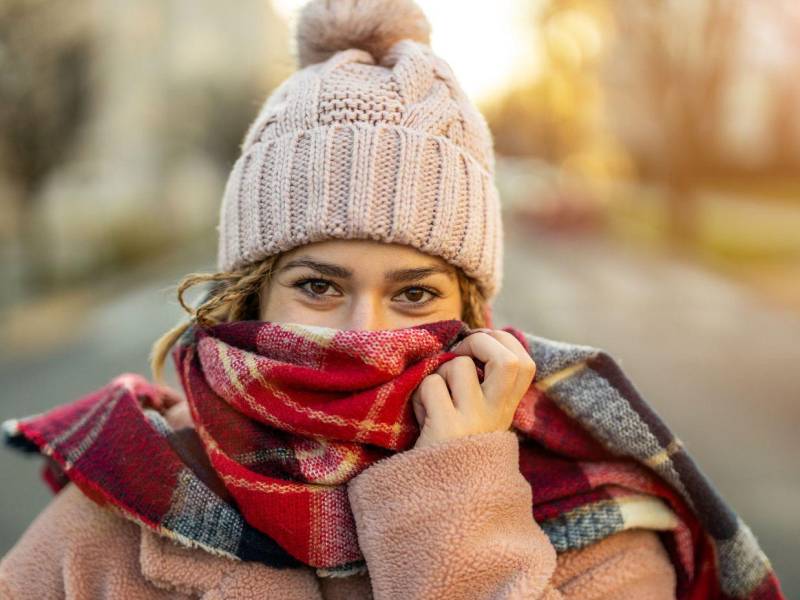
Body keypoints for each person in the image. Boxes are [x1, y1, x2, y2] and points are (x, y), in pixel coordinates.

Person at [2, 1, 782, 598]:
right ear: (252, 297)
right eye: (317, 286)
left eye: (414, 293)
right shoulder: (117, 505)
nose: (362, 334)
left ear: (472, 315)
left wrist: (459, 509)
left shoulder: (596, 530)